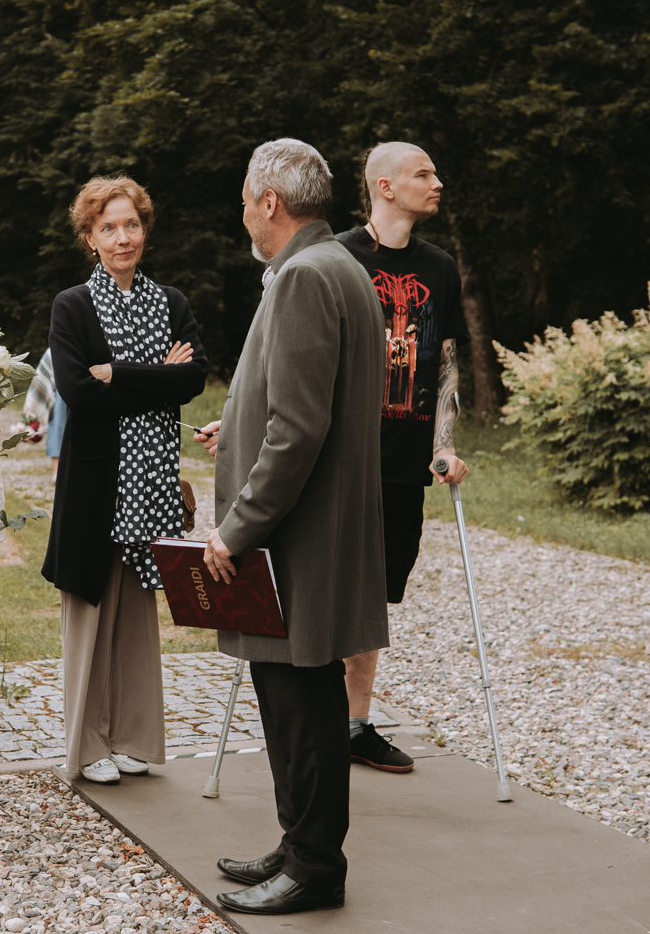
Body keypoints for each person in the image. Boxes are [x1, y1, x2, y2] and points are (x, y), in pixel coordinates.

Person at [196, 139, 387, 916]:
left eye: (246, 199)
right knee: (296, 700)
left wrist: (236, 530)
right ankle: (299, 842)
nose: (244, 212)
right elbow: (302, 403)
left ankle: (314, 867)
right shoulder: (338, 266)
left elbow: (298, 429)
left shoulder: (308, 274)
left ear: (269, 202)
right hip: (315, 528)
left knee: (302, 705)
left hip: (296, 538)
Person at [41, 175, 209, 785]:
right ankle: (88, 747)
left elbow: (195, 377)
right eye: (108, 227)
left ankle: (133, 738)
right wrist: (155, 375)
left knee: (136, 620)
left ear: (145, 230)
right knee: (90, 615)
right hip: (96, 490)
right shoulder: (72, 306)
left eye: (131, 224)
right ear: (90, 237)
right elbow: (79, 393)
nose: (122, 238)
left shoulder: (171, 302)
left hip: (151, 488)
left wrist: (119, 372)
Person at [335, 142, 470, 773]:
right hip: (341, 461)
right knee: (332, 591)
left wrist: (444, 442)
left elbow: (446, 364)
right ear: (385, 186)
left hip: (403, 461)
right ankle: (315, 721)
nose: (437, 182)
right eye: (424, 173)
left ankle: (354, 726)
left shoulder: (439, 266)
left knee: (375, 600)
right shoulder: (335, 256)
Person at [22, 347, 68, 476]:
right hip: (61, 391)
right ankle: (56, 471)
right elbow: (41, 379)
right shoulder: (56, 348)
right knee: (58, 422)